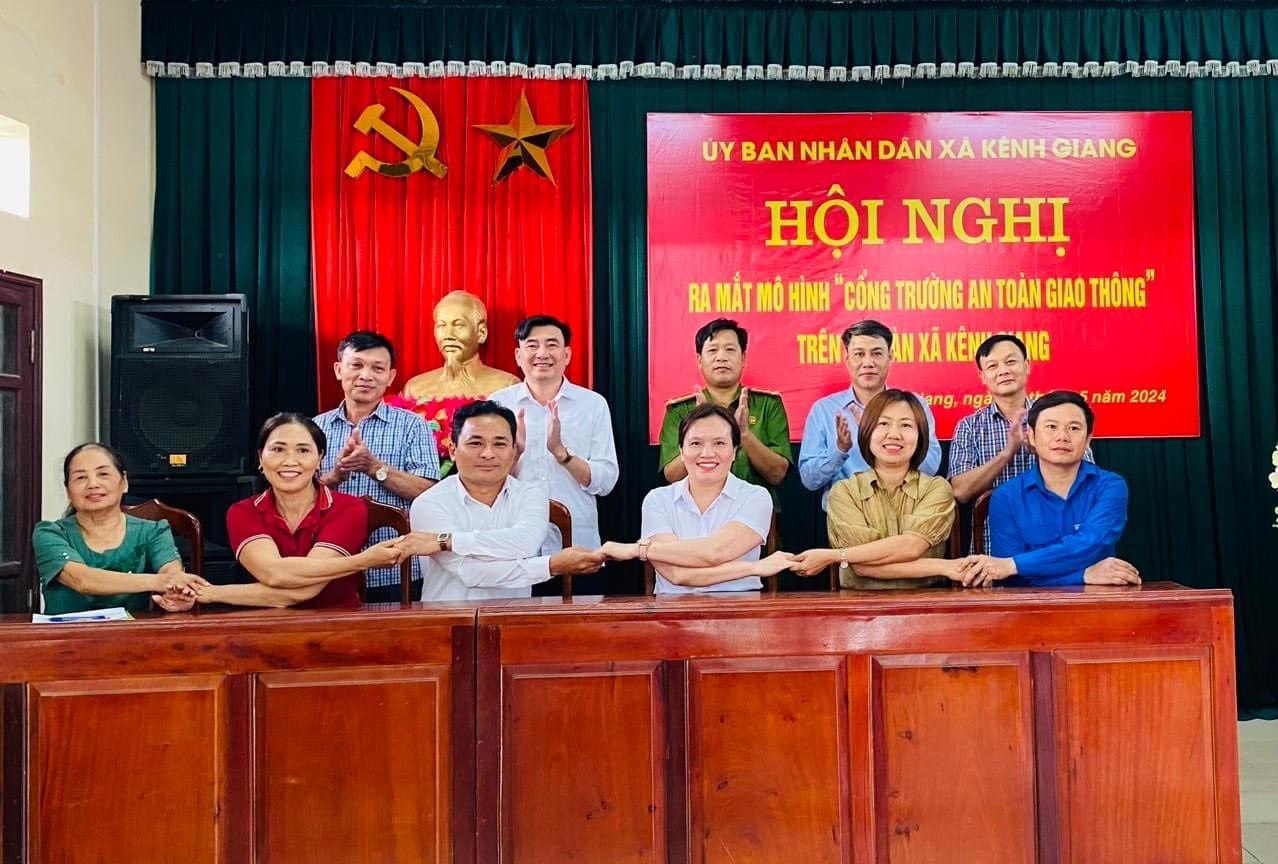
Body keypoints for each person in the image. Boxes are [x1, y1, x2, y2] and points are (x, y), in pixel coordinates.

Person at [399, 401, 607, 601]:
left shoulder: (531, 494)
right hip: (447, 617)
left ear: (514, 451)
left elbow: (525, 542)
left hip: (514, 617)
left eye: (500, 444)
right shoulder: (429, 503)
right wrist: (550, 566)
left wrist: (449, 541)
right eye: (475, 443)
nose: (488, 454)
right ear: (453, 450)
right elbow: (470, 572)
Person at [195, 413, 403, 608]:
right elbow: (274, 574)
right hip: (266, 624)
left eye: (303, 450)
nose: (290, 461)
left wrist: (210, 593)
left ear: (319, 458)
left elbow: (306, 589)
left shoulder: (349, 508)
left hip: (339, 624)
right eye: (278, 450)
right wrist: (364, 560)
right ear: (260, 457)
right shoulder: (242, 512)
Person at [790, 390, 973, 589]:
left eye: (906, 425)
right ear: (866, 432)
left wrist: (834, 556)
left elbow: (911, 546)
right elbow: (861, 567)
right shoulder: (844, 492)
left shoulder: (936, 488)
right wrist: (944, 567)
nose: (894, 434)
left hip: (927, 601)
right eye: (883, 424)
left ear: (921, 437)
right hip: (858, 603)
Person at [601, 404, 792, 592]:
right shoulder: (657, 500)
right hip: (672, 609)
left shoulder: (756, 497)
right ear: (681, 451)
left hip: (739, 606)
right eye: (696, 443)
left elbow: (715, 552)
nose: (707, 453)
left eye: (719, 443)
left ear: (734, 451)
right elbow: (677, 574)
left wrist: (638, 550)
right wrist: (753, 568)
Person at [967, 391, 1139, 587]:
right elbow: (1010, 579)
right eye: (1051, 427)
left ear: (1088, 439)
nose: (1062, 436)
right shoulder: (1006, 497)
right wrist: (1082, 576)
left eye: (1073, 428)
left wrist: (1014, 565)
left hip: (1099, 599)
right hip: (1030, 604)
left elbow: (1089, 545)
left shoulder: (1110, 486)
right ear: (1031, 436)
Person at [315, 331, 440, 602]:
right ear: (338, 370)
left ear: (391, 376)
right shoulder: (315, 428)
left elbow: (429, 492)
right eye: (356, 365)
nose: (366, 375)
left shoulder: (413, 426)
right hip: (329, 568)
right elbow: (296, 497)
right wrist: (335, 477)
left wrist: (374, 468)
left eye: (377, 368)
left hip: (396, 570)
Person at [947, 334, 1093, 552]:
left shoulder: (1057, 417)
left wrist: (1044, 451)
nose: (1003, 371)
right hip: (994, 551)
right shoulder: (969, 426)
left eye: (1011, 361)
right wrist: (1007, 453)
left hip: (1059, 547)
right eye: (993, 366)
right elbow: (960, 491)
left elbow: (1090, 483)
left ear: (1026, 365)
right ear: (982, 376)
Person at [489, 315, 618, 551]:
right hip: (514, 541)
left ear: (566, 355)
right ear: (518, 355)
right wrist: (516, 453)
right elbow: (484, 479)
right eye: (532, 345)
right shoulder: (498, 404)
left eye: (551, 345)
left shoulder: (592, 404)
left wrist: (562, 455)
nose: (542, 354)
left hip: (575, 542)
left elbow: (607, 481)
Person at [32, 443, 206, 614]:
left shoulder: (153, 531)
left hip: (132, 631)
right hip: (66, 632)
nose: (93, 484)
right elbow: (81, 580)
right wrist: (161, 582)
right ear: (68, 492)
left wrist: (177, 594)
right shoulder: (49, 533)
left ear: (124, 482)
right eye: (80, 477)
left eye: (103, 474)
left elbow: (171, 574)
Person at [798, 319, 941, 509]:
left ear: (890, 357)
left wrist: (886, 441)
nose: (868, 363)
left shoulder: (914, 406)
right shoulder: (824, 410)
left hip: (906, 512)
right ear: (847, 360)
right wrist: (839, 450)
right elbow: (809, 480)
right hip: (847, 515)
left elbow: (930, 467)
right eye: (859, 354)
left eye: (876, 354)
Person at [657, 318, 791, 501]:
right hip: (697, 511)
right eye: (712, 350)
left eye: (730, 349)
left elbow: (777, 474)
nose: (721, 357)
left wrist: (744, 434)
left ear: (743, 358)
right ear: (699, 360)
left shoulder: (768, 405)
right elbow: (672, 477)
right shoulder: (680, 410)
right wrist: (700, 429)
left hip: (755, 511)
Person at [400, 290, 519, 400]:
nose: (448, 335)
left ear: (481, 332)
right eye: (442, 325)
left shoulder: (506, 387)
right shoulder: (414, 389)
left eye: (458, 325)